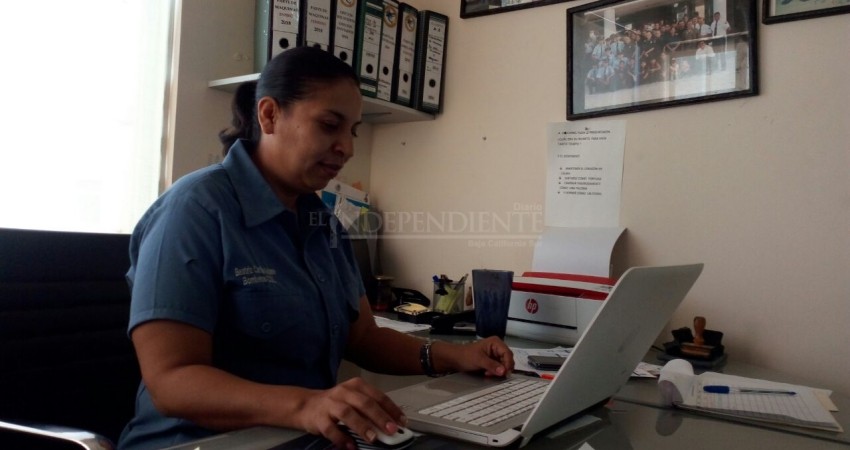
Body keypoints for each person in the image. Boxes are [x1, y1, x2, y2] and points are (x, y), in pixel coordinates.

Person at [117, 46, 515, 450]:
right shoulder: (195, 210)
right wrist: (306, 405)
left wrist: (453, 356)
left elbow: (363, 339)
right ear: (269, 115)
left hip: (301, 440)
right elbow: (171, 382)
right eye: (329, 125)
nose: (347, 147)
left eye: (353, 131)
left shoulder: (323, 224)